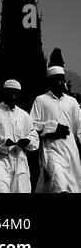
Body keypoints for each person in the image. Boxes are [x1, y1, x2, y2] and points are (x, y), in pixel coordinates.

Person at [0, 80, 38, 193]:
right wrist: (2, 141)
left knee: (21, 189)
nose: (13, 96)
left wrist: (27, 141)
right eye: (10, 92)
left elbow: (34, 135)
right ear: (4, 93)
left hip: (20, 159)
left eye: (16, 93)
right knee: (0, 189)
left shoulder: (24, 115)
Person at [30, 65, 81, 193]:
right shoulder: (41, 100)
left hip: (70, 150)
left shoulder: (72, 102)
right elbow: (32, 125)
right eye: (57, 79)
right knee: (59, 184)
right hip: (51, 149)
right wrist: (52, 127)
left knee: (71, 185)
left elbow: (79, 127)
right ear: (50, 81)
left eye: (62, 79)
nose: (61, 82)